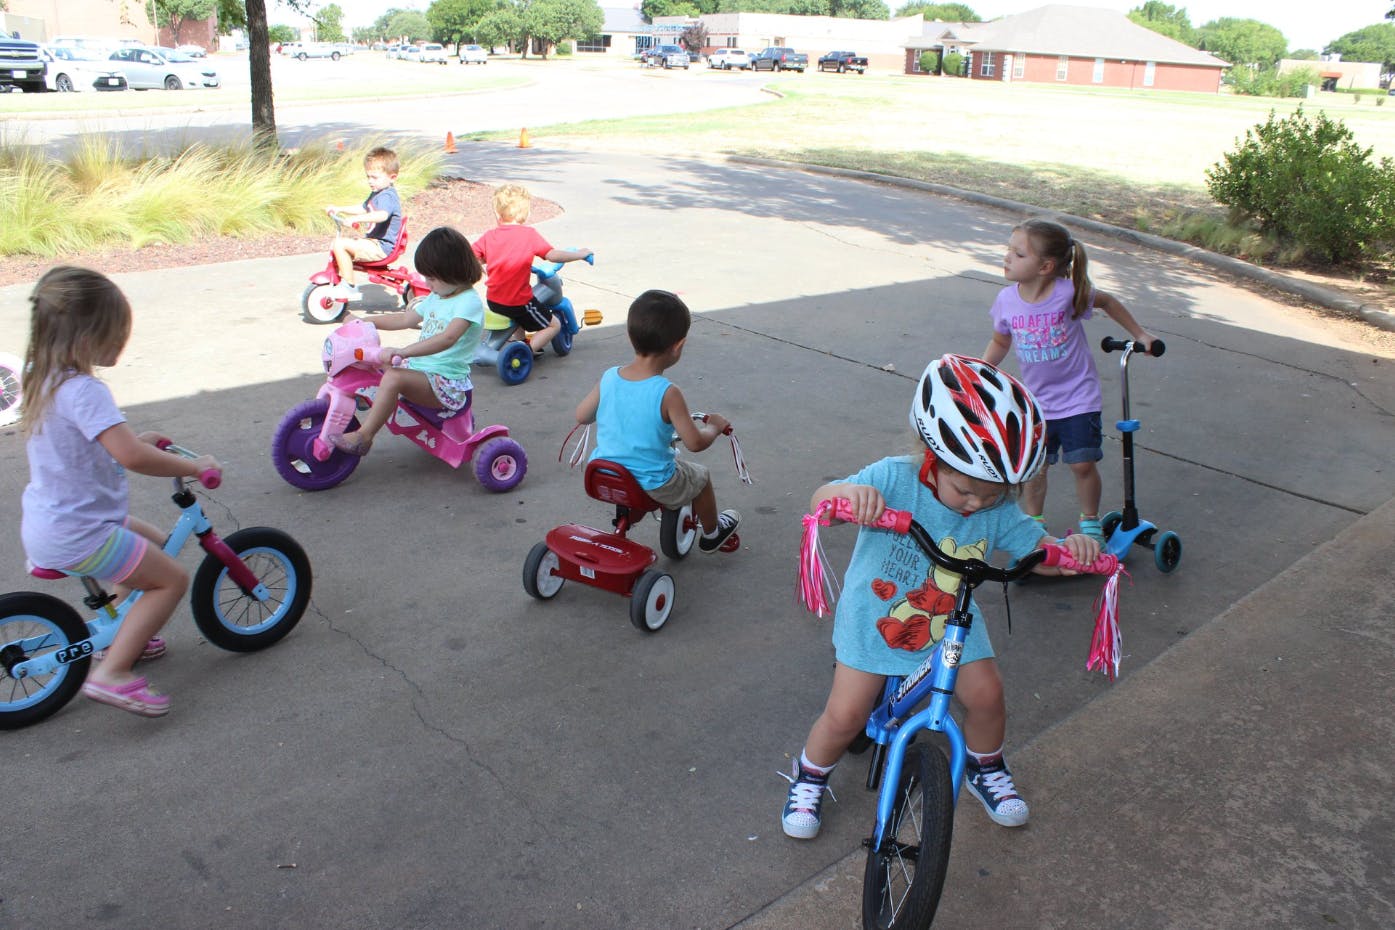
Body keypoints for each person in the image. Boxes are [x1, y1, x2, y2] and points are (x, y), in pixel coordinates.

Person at [780, 354, 1101, 839]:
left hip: (953, 620)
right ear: (931, 458)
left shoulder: (997, 506)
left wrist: (1069, 553)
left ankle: (985, 766)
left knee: (988, 695)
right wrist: (847, 497)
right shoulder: (894, 478)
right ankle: (809, 776)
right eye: (965, 491)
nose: (978, 504)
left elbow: (1036, 551)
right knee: (846, 715)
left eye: (992, 495)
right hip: (874, 618)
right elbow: (822, 500)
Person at [19, 267, 220, 718]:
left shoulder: (42, 377)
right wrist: (194, 466)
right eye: (118, 331)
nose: (123, 340)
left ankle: (121, 632)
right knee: (171, 579)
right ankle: (112, 672)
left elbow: (84, 446)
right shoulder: (85, 390)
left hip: (52, 521)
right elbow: (131, 457)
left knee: (149, 543)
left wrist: (135, 440)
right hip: (82, 531)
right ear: (89, 336)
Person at [982, 218, 1155, 542]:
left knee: (1082, 464)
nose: (1007, 257)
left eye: (1018, 254)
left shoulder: (1068, 293)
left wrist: (1140, 335)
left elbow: (1107, 302)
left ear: (1045, 266)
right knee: (1036, 468)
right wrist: (979, 371)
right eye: (1009, 250)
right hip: (1036, 402)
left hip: (1078, 398)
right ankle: (1034, 524)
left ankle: (1090, 522)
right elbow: (1000, 342)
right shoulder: (1006, 300)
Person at [575, 289, 740, 554]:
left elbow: (582, 416)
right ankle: (713, 533)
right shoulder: (667, 393)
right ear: (678, 346)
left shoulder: (609, 377)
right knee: (700, 477)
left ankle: (627, 518)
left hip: (604, 475)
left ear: (630, 336)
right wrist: (714, 427)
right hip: (652, 481)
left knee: (647, 470)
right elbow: (695, 443)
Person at [332, 226, 486, 456]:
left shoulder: (468, 302)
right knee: (373, 362)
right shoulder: (438, 296)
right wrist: (364, 322)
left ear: (453, 272)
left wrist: (404, 351)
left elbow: (448, 338)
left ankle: (364, 437)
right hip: (421, 371)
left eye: (431, 278)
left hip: (445, 382)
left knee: (393, 377)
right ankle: (368, 397)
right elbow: (405, 319)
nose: (427, 284)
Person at [472, 183, 592, 356]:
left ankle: (519, 343)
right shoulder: (529, 235)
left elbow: (470, 256)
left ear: (497, 213)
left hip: (494, 300)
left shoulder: (489, 236)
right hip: (518, 303)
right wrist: (580, 254)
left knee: (517, 320)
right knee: (554, 325)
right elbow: (553, 255)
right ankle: (525, 352)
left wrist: (483, 263)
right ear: (527, 214)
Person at [323, 146, 403, 302]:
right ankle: (343, 282)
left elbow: (382, 215)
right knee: (339, 245)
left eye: (375, 177)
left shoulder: (387, 196)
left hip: (381, 248)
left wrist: (357, 219)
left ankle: (349, 286)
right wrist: (340, 209)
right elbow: (363, 207)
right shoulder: (377, 193)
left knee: (340, 244)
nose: (370, 181)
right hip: (374, 243)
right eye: (368, 177)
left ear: (392, 177)